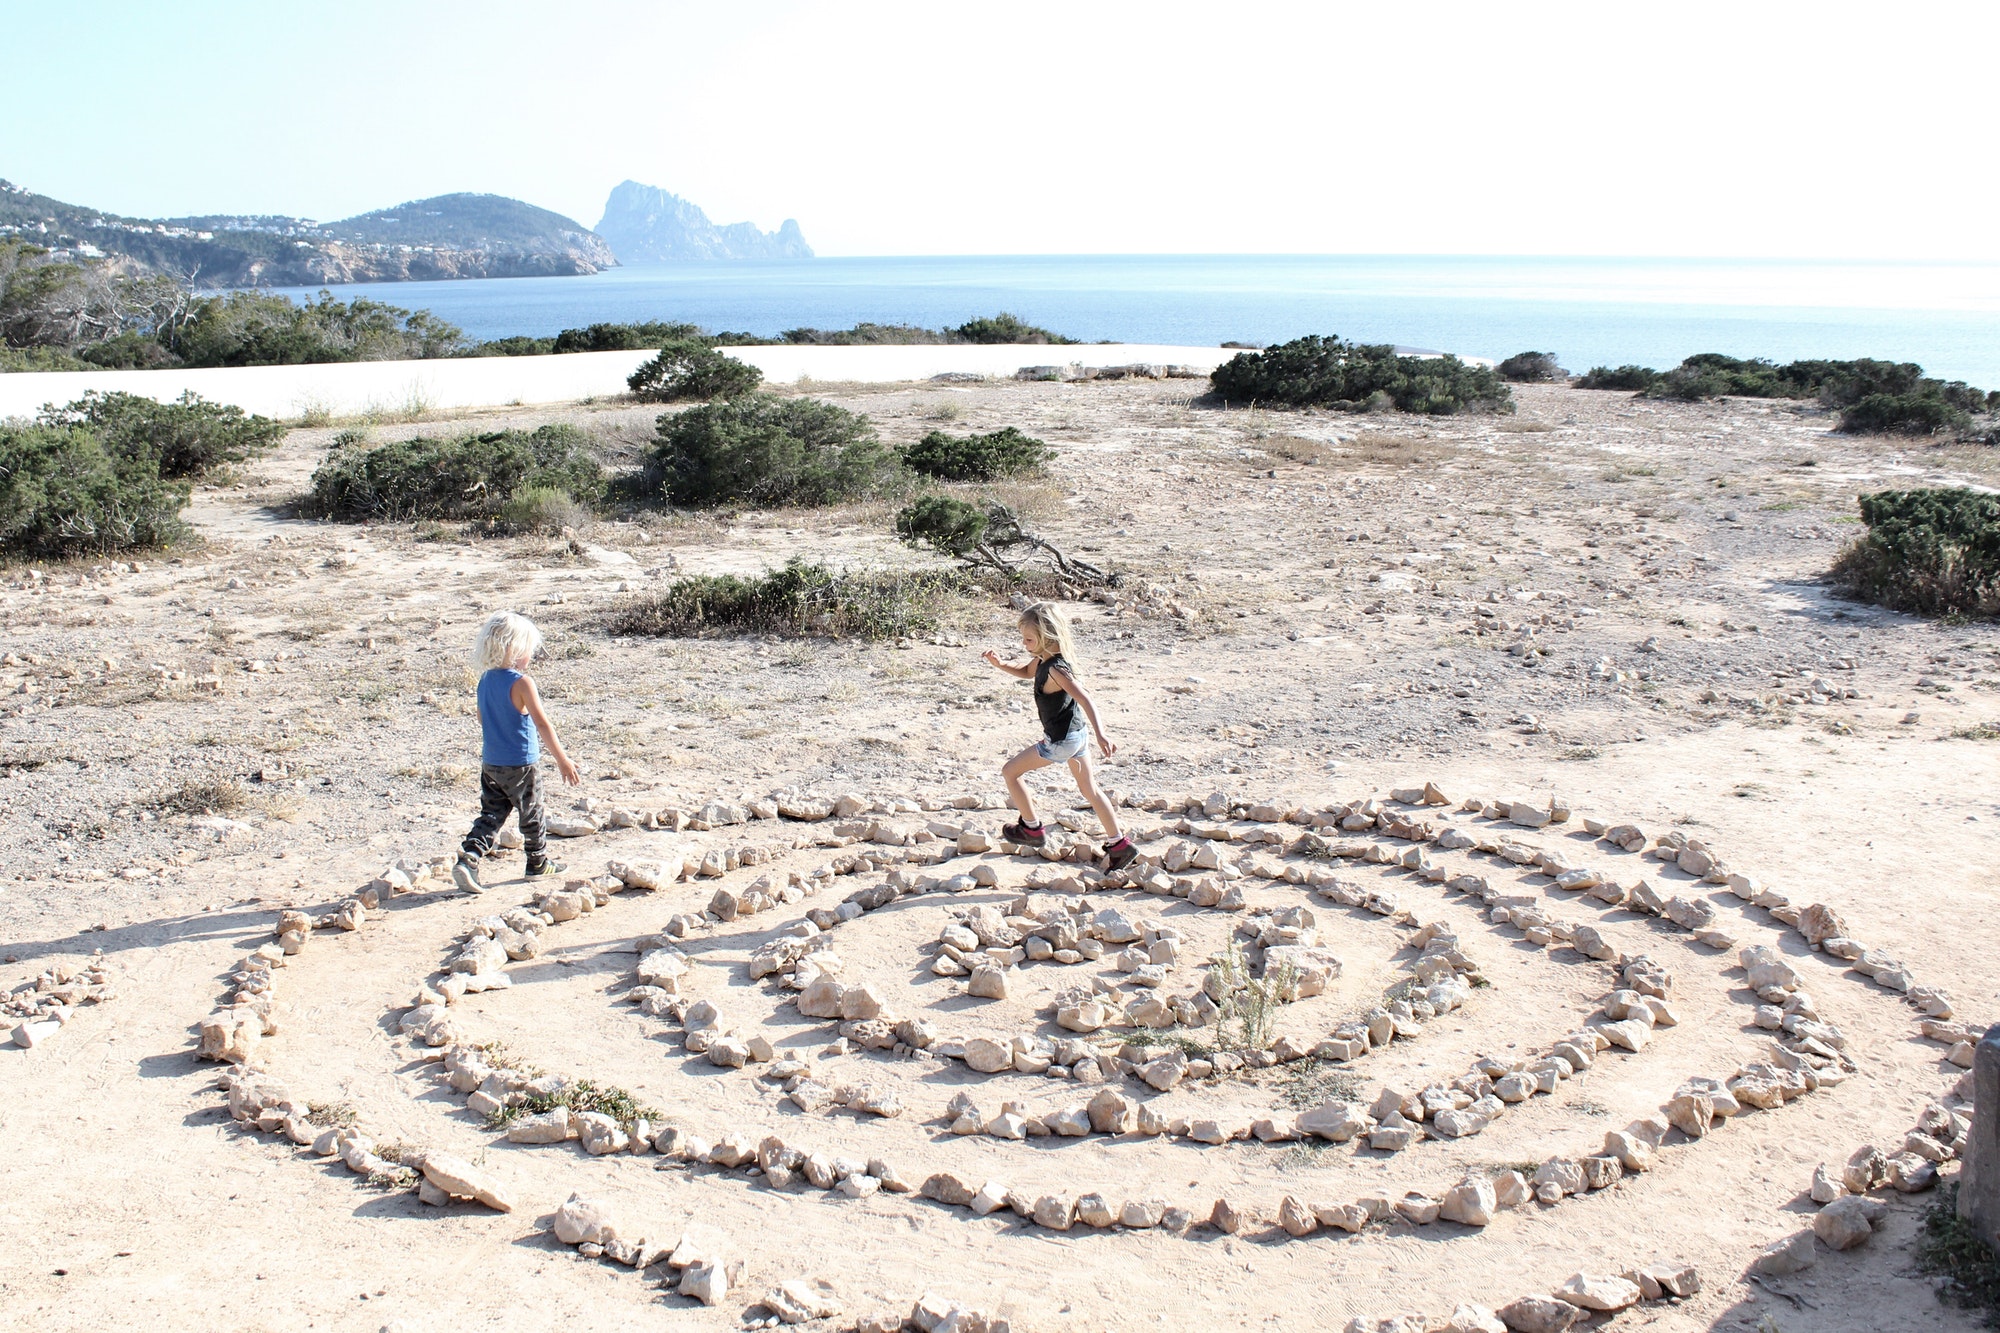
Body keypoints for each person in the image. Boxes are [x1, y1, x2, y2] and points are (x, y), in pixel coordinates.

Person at [981, 601, 1135, 871]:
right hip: (1077, 737)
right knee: (1090, 790)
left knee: (1010, 772)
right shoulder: (1044, 660)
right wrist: (1001, 664)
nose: (1024, 643)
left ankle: (1031, 829)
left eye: (1028, 639)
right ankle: (1119, 844)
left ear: (1047, 636)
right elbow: (1027, 672)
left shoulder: (1056, 669)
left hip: (1062, 741)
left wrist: (1102, 734)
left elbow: (1085, 698)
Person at [452, 611, 580, 894]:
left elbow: (482, 718)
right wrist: (563, 760)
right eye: (528, 650)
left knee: (492, 813)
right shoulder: (522, 683)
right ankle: (537, 862)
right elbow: (542, 724)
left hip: (491, 762)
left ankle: (469, 857)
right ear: (515, 649)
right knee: (531, 810)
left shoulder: (485, 680)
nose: (530, 657)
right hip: (521, 763)